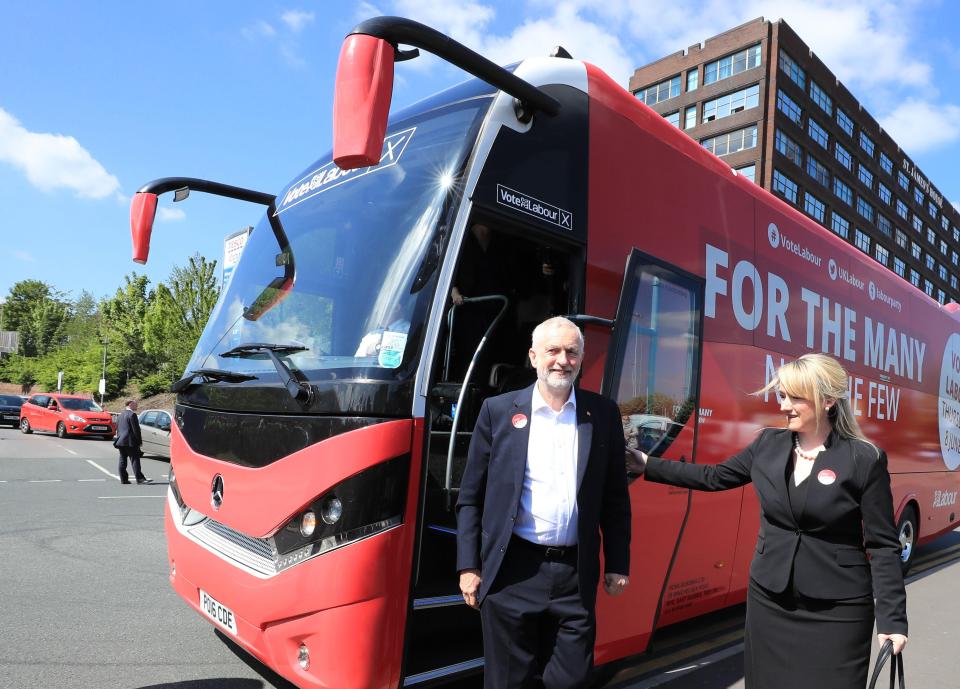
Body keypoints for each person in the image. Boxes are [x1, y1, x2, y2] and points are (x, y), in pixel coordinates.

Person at [626, 353, 907, 689]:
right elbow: (713, 476)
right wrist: (647, 464)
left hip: (838, 611)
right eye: (782, 395)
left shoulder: (864, 459)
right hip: (770, 601)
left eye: (795, 397)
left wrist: (892, 619)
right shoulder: (767, 445)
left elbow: (883, 544)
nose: (784, 405)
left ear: (828, 401)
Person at [457, 316, 631, 689]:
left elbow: (615, 497)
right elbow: (470, 497)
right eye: (553, 350)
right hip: (512, 571)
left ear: (581, 359)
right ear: (534, 356)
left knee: (571, 681)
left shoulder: (602, 414)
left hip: (574, 575)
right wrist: (469, 565)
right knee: (508, 682)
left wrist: (618, 563)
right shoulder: (498, 411)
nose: (562, 360)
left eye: (572, 352)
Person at [115, 400, 152, 485]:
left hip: (120, 441)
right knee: (135, 460)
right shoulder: (132, 415)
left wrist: (118, 438)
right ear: (130, 404)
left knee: (122, 460)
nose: (137, 406)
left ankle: (123, 479)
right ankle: (140, 479)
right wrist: (139, 442)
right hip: (130, 441)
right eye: (136, 405)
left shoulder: (120, 415)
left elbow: (118, 428)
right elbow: (136, 430)